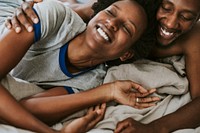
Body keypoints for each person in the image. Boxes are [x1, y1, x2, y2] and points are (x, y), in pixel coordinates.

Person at [7, 0, 200, 132]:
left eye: (187, 17)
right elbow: (74, 12)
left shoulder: (95, 77)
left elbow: (30, 107)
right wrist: (32, 7)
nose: (172, 22)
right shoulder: (116, 11)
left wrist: (155, 128)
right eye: (166, 7)